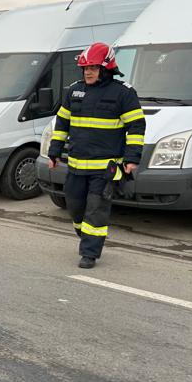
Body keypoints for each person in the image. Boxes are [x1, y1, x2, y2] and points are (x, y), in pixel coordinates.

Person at [47, 42, 145, 268]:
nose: (88, 72)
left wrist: (132, 159)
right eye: (85, 68)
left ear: (106, 68)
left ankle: (90, 252)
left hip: (105, 168)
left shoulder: (124, 93)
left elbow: (136, 128)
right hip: (76, 166)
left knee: (96, 209)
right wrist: (54, 152)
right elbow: (62, 123)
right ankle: (88, 237)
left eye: (93, 67)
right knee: (75, 207)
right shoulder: (74, 90)